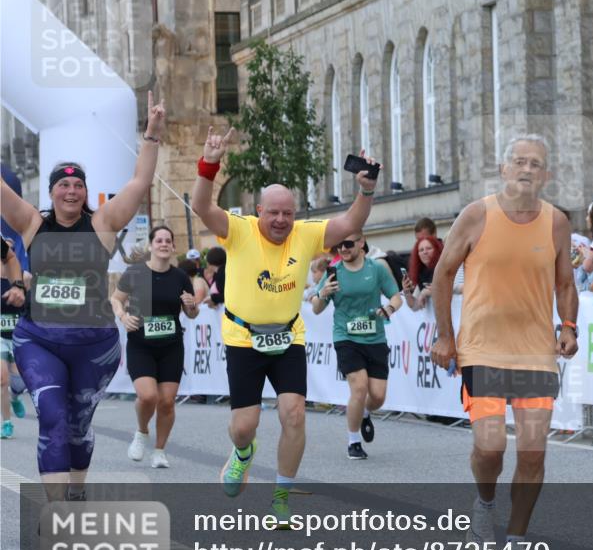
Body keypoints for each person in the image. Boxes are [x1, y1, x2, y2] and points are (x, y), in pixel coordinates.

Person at [191, 125, 377, 523]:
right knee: (245, 425)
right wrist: (209, 164)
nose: (280, 220)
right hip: (243, 337)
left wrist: (365, 190)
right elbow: (202, 208)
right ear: (259, 211)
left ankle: (281, 495)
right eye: (273, 212)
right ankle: (243, 453)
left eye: (288, 214)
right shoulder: (238, 230)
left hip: (287, 335)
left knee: (294, 413)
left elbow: (349, 224)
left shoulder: (306, 235)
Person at [0, 92, 166, 500]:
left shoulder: (103, 223)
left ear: (85, 192)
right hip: (40, 339)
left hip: (94, 345)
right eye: (63, 184)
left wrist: (151, 137)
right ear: (53, 191)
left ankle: (76, 489)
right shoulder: (31, 223)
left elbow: (140, 182)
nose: (71, 191)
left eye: (78, 185)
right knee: (53, 418)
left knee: (77, 425)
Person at [430, 134, 578, 550]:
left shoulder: (556, 223)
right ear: (504, 169)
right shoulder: (476, 215)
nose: (527, 169)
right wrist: (445, 337)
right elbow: (442, 274)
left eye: (536, 164)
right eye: (519, 161)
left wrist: (568, 327)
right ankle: (485, 501)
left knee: (533, 452)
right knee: (490, 447)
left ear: (546, 175)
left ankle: (515, 541)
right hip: (482, 349)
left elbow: (566, 282)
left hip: (535, 353)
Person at [110, 226, 199, 468]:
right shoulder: (136, 272)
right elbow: (116, 299)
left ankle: (159, 451)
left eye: (167, 241)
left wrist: (191, 306)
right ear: (151, 245)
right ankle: (141, 432)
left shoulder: (180, 277)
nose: (163, 244)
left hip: (171, 346)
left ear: (173, 247)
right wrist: (122, 315)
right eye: (158, 240)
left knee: (167, 401)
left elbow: (191, 314)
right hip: (141, 344)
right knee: (148, 396)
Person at [311, 231, 402, 459]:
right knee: (358, 387)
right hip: (346, 337)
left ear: (361, 243)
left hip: (375, 338)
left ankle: (363, 411)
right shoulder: (334, 272)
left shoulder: (377, 269)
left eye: (348, 244)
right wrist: (323, 293)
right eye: (339, 245)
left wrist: (388, 309)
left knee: (378, 397)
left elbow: (396, 297)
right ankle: (353, 442)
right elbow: (316, 307)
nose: (342, 249)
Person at [1, 238, 27, 439]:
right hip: (0, 337)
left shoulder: (24, 278)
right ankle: (6, 423)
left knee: (19, 383)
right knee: (2, 379)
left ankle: (16, 397)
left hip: (19, 336)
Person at [402, 235, 443, 311]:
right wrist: (407, 291)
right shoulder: (421, 273)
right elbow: (415, 307)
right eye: (421, 250)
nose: (425, 252)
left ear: (436, 250)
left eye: (429, 248)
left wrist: (424, 293)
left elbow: (444, 291)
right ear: (417, 254)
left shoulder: (443, 268)